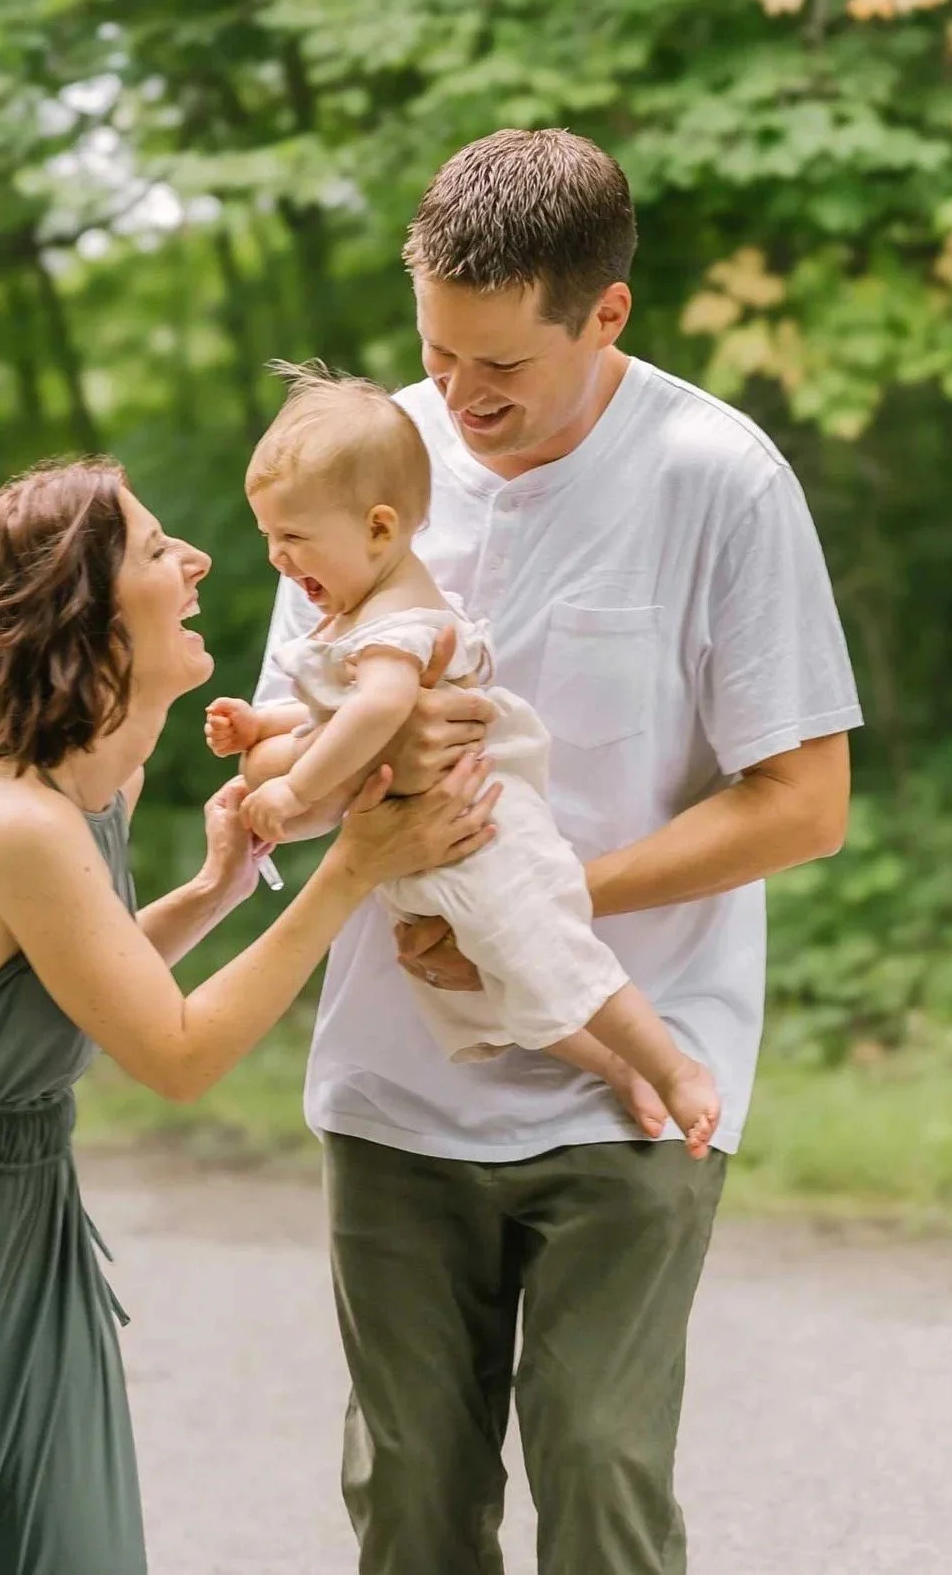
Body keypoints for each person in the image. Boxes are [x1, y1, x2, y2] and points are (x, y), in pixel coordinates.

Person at [249, 130, 859, 1574]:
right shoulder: (370, 458)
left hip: (632, 1084)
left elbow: (805, 801)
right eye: (438, 356)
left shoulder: (721, 479)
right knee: (410, 1500)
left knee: (598, 1468)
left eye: (500, 371)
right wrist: (305, 774)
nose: (458, 401)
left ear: (608, 315)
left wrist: (543, 904)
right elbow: (296, 739)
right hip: (397, 1084)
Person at [0, 459, 499, 1575]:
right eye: (155, 550)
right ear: (85, 617)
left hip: (16, 1187)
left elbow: (71, 989)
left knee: (50, 1539)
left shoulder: (95, 786)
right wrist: (346, 873)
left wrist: (212, 892)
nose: (195, 562)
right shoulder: (13, 820)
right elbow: (177, 1053)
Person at [204, 363, 720, 1154]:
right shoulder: (347, 615)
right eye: (269, 537)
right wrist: (259, 722)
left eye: (294, 538)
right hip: (424, 850)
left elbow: (375, 709)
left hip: (481, 829)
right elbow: (331, 709)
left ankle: (670, 1065)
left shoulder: (401, 618)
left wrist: (299, 782)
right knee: (492, 995)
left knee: (543, 951)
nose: (277, 558)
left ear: (380, 528)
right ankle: (613, 1066)